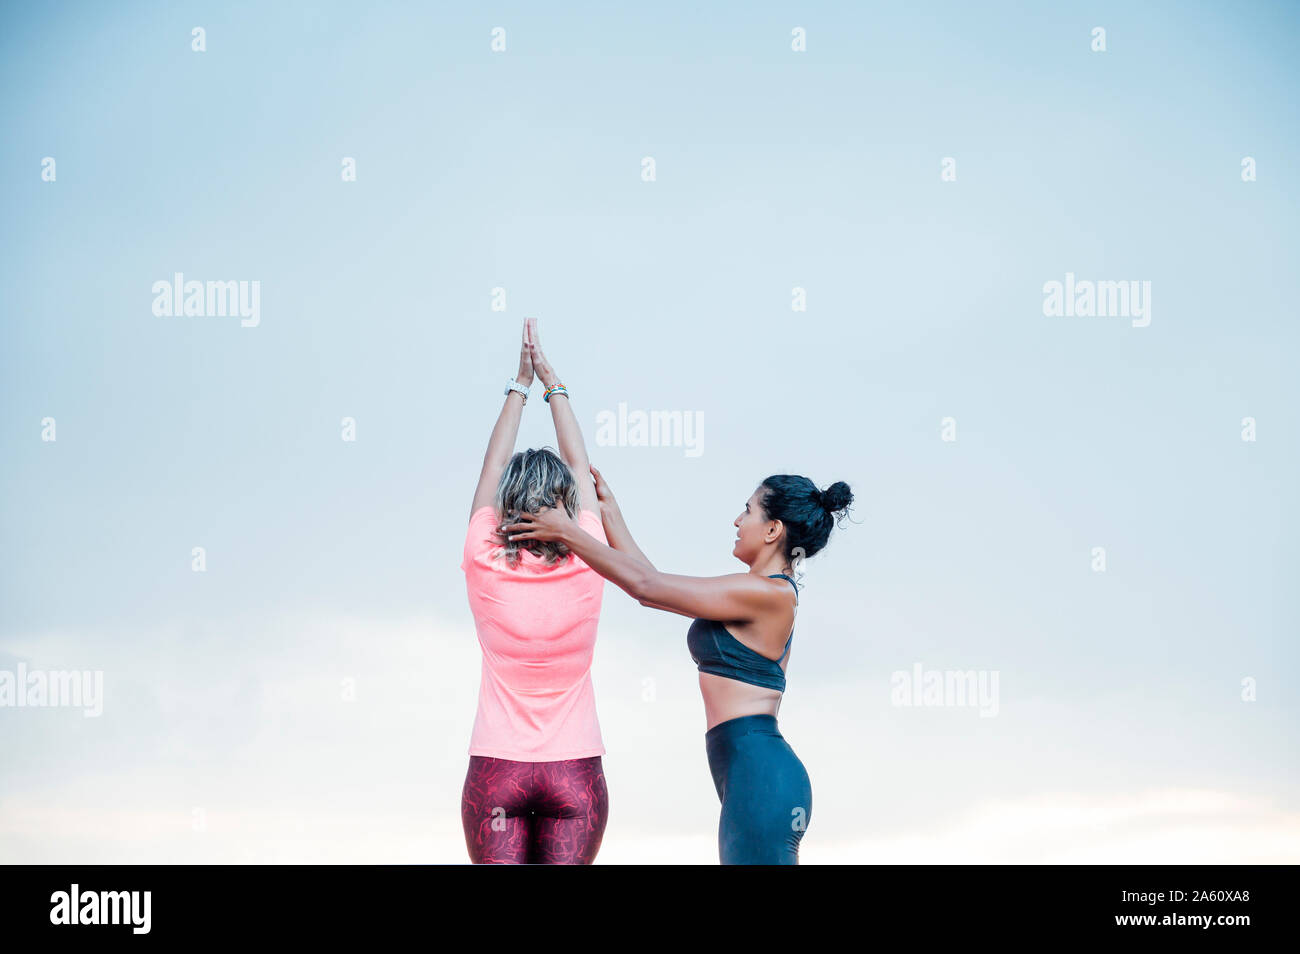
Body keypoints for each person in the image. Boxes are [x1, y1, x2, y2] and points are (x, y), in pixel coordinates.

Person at [503, 353, 853, 863]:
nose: (738, 519)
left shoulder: (768, 594)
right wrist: (612, 515)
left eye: (749, 511)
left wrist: (568, 533)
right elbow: (652, 581)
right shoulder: (754, 590)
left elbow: (646, 587)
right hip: (748, 775)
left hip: (762, 777)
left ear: (774, 529)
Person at [459, 317, 610, 864]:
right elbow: (580, 466)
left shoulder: (483, 555)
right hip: (575, 775)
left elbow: (491, 465)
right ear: (568, 504)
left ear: (505, 504)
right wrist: (553, 382)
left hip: (498, 771)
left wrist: (518, 385)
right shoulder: (590, 555)